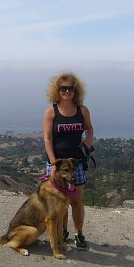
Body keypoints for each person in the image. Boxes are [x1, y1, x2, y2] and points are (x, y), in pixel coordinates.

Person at [43, 71, 94, 250]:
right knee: (60, 201)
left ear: (75, 90)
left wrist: (87, 143)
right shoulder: (51, 111)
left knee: (76, 201)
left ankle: (79, 234)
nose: (67, 91)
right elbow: (47, 138)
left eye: (70, 88)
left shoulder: (82, 110)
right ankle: (62, 232)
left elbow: (89, 128)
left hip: (76, 163)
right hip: (57, 165)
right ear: (57, 90)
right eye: (63, 88)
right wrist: (52, 162)